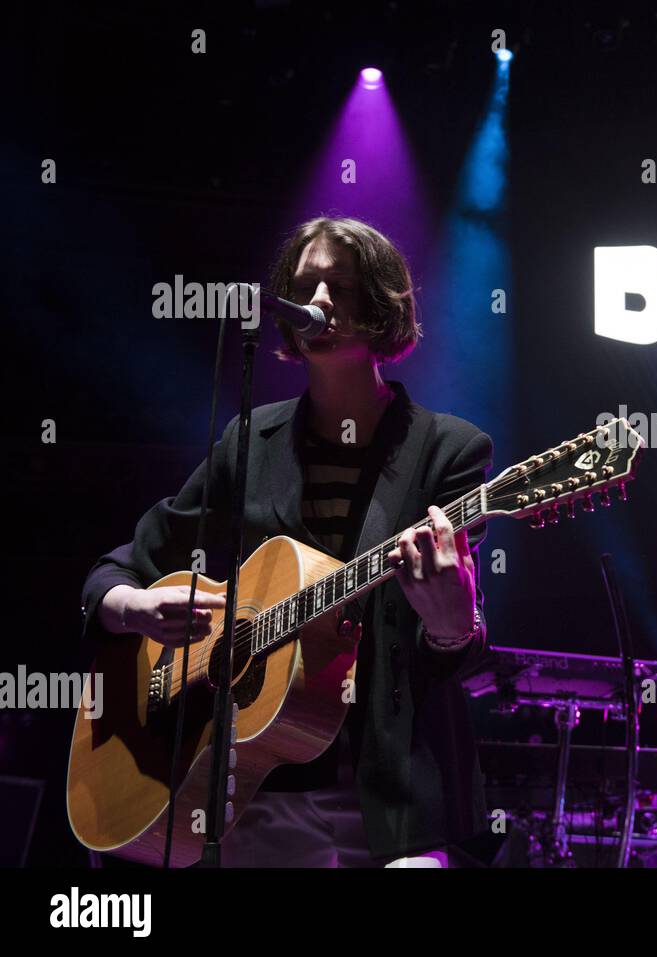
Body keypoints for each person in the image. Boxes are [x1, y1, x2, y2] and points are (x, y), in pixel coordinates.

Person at [79, 216, 493, 866]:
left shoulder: (448, 452)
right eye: (305, 286)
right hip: (252, 793)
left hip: (389, 803)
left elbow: (447, 664)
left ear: (382, 304)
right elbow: (125, 564)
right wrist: (130, 606)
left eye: (341, 285)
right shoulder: (250, 440)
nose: (319, 302)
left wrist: (453, 626)